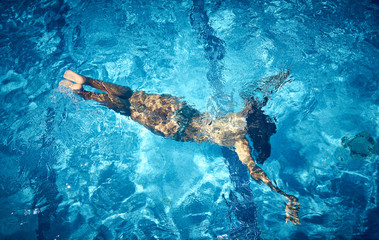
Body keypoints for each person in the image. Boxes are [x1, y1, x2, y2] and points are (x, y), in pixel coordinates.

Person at [59, 69, 300, 225]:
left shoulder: (247, 112)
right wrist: (286, 197)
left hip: (182, 110)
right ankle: (85, 94)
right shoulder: (239, 142)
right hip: (177, 130)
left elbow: (261, 92)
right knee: (129, 111)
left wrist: (282, 77)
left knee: (133, 96)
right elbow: (255, 171)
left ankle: (88, 81)